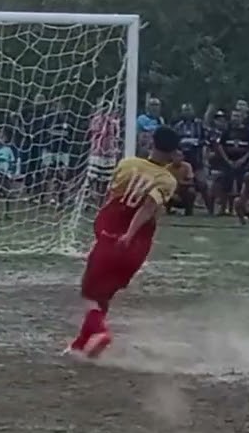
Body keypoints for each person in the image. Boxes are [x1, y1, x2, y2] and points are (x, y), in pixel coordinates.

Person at [64, 126, 180, 359]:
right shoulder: (167, 180)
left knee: (89, 294)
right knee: (103, 296)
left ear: (151, 142)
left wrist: (127, 234)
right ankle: (81, 344)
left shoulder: (127, 165)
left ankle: (100, 331)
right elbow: (151, 208)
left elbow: (135, 204)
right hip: (138, 249)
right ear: (174, 152)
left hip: (113, 238)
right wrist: (133, 236)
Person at [213, 110, 249, 214]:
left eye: (238, 116)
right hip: (228, 162)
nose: (236, 118)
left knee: (241, 186)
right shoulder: (227, 131)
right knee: (225, 185)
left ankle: (240, 208)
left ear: (242, 118)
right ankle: (223, 209)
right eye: (234, 116)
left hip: (242, 162)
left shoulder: (248, 132)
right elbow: (220, 146)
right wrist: (227, 160)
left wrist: (243, 159)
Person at [165, 150, 197, 215]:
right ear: (172, 157)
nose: (177, 158)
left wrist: (182, 182)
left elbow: (191, 182)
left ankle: (189, 212)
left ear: (183, 157)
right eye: (175, 156)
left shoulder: (187, 166)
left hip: (183, 190)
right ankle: (168, 210)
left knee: (191, 191)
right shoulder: (167, 167)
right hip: (171, 191)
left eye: (179, 156)